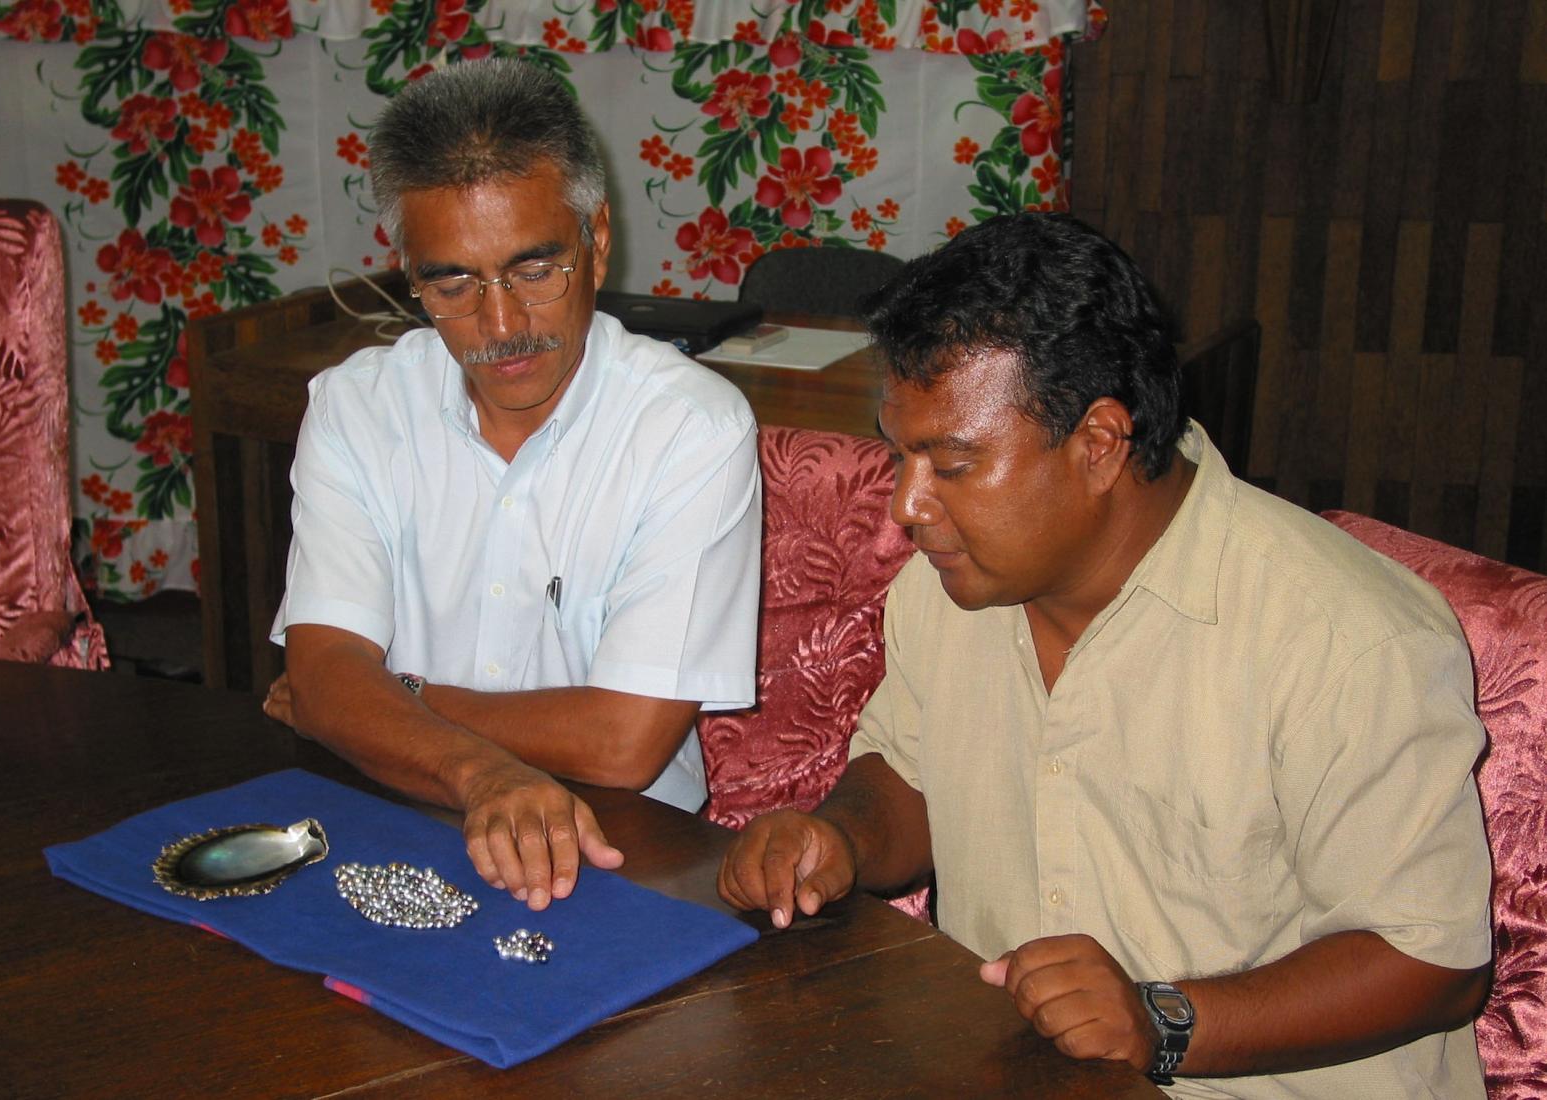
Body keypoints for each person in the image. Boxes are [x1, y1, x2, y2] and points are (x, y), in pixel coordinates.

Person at [717, 214, 1492, 1098]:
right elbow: (910, 774)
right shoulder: (947, 591)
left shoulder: (1343, 639)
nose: (906, 506)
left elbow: (1435, 963)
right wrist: (838, 837)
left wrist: (1162, 1021)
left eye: (953, 464)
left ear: (1098, 444)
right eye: (900, 456)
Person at [267, 59, 761, 914]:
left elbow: (622, 744)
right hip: (393, 824)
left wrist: (398, 697)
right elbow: (323, 675)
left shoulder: (693, 429)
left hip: (623, 859)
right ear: (409, 275)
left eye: (536, 270)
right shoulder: (357, 408)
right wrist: (479, 771)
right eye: (452, 283)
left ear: (597, 241)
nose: (500, 327)